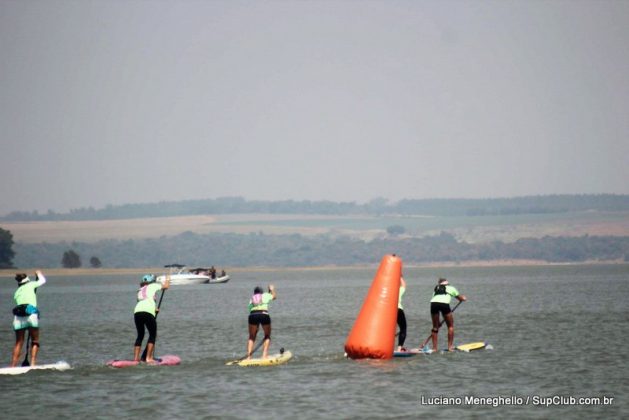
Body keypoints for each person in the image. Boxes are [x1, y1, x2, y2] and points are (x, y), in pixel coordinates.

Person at [11, 270, 46, 367]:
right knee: (35, 340)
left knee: (19, 342)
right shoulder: (31, 285)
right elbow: (43, 280)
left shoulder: (17, 292)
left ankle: (13, 366)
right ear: (27, 280)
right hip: (31, 315)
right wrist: (38, 273)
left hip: (18, 317)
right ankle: (33, 364)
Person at [133, 274, 169, 363]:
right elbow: (166, 287)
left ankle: (136, 359)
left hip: (137, 312)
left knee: (140, 335)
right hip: (148, 312)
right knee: (153, 335)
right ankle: (149, 358)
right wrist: (168, 280)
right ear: (152, 282)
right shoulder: (152, 285)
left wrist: (155, 309)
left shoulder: (139, 290)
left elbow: (144, 301)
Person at [430, 278, 466, 352]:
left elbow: (436, 299)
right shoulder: (451, 288)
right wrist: (463, 298)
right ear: (447, 283)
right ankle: (450, 347)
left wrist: (438, 323)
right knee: (450, 326)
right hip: (444, 305)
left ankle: (434, 348)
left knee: (435, 327)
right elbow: (460, 298)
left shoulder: (436, 288)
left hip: (433, 304)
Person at [247, 284, 276, 359]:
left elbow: (250, 310)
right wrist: (272, 289)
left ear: (254, 293)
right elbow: (274, 297)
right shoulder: (265, 295)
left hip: (252, 315)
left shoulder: (251, 299)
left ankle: (249, 357)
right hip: (264, 314)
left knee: (251, 336)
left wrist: (256, 327)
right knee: (267, 335)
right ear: (262, 292)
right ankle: (264, 355)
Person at [396, 276, 407, 352]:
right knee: (403, 328)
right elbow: (403, 285)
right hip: (397, 309)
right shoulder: (398, 290)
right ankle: (399, 348)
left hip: (387, 311)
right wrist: (400, 275)